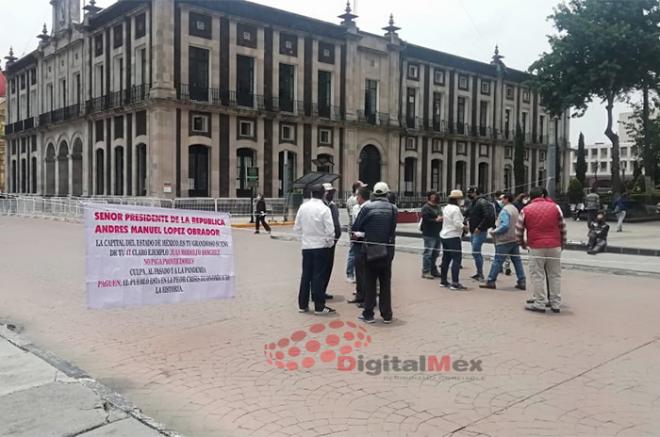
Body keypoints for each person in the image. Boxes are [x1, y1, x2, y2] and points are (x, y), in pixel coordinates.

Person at [516, 186, 567, 314]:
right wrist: (562, 244)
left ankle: (539, 302)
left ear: (530, 197)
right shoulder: (555, 207)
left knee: (537, 275)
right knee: (555, 275)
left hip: (535, 246)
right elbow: (562, 227)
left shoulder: (525, 210)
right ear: (543, 196)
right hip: (555, 245)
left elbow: (519, 230)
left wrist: (522, 244)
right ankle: (555, 303)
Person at [353, 182, 397, 324]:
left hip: (370, 249)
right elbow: (392, 228)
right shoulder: (392, 208)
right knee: (385, 283)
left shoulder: (367, 207)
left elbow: (357, 226)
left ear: (374, 193)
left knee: (370, 282)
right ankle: (387, 314)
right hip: (387, 249)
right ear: (386, 193)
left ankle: (368, 314)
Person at [294, 184, 336, 315]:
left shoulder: (303, 207)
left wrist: (303, 239)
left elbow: (297, 228)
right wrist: (329, 243)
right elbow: (330, 231)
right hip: (320, 246)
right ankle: (319, 306)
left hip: (307, 246)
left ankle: (302, 304)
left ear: (312, 193)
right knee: (318, 276)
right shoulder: (324, 209)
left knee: (306, 275)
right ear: (324, 194)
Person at [480, 193, 526, 290]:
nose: (500, 201)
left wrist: (494, 231)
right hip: (514, 238)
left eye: (501, 199)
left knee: (497, 260)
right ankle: (522, 281)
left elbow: (504, 225)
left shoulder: (505, 210)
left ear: (506, 199)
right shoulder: (514, 209)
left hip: (504, 239)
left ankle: (491, 281)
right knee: (517, 261)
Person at [439, 190, 468, 290]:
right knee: (456, 259)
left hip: (444, 235)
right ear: (457, 199)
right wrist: (465, 227)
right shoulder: (456, 209)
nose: (462, 200)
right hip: (453, 236)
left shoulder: (446, 207)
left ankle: (443, 280)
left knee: (446, 258)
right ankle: (455, 283)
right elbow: (457, 223)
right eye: (460, 198)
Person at [466, 186, 496, 281]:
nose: (469, 195)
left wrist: (480, 227)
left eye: (470, 193)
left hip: (479, 231)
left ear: (475, 193)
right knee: (475, 252)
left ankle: (480, 273)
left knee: (476, 251)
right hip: (473, 230)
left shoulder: (482, 202)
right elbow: (468, 213)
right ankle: (479, 272)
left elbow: (487, 216)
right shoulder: (473, 203)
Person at [347, 186, 371, 306]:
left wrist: (359, 234)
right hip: (356, 241)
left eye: (357, 195)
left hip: (365, 242)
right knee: (358, 270)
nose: (356, 197)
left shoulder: (369, 208)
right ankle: (359, 294)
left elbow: (371, 228)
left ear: (361, 197)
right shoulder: (356, 208)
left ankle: (366, 297)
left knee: (365, 271)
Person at [321, 183, 342, 300]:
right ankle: (317, 291)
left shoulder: (333, 206)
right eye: (329, 192)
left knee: (328, 267)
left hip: (333, 242)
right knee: (321, 268)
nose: (331, 194)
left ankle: (323, 289)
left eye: (332, 192)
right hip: (323, 243)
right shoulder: (321, 206)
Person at [345, 181, 366, 282]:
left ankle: (352, 273)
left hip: (353, 228)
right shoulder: (353, 200)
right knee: (353, 252)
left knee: (354, 251)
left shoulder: (350, 199)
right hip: (355, 229)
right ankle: (350, 273)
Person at [420, 191, 443, 279]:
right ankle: (426, 271)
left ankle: (433, 269)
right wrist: (436, 220)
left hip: (438, 232)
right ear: (429, 197)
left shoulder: (438, 206)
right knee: (428, 253)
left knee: (436, 253)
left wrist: (441, 218)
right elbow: (426, 219)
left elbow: (441, 214)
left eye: (436, 196)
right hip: (429, 233)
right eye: (433, 196)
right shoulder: (426, 207)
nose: (435, 198)